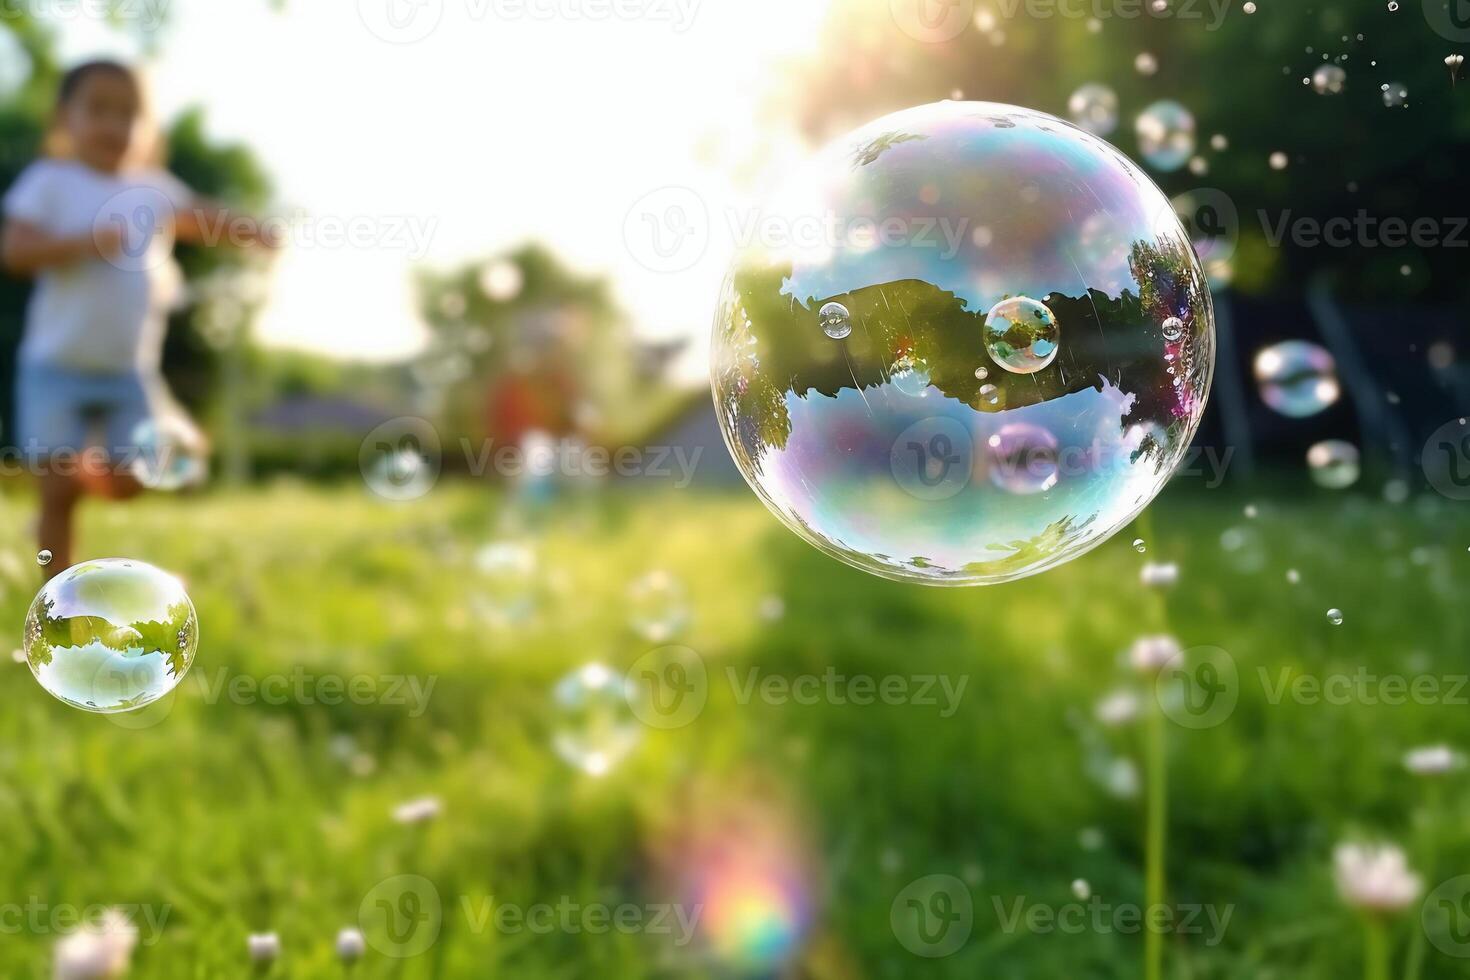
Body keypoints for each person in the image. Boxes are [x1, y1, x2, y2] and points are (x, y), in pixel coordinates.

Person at [1, 59, 275, 577]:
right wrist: (86, 243)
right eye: (99, 109)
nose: (114, 125)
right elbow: (15, 252)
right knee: (57, 493)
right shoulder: (51, 181)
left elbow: (201, 217)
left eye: (129, 113)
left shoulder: (151, 188)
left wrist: (252, 231)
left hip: (129, 372)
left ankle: (98, 466)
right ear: (65, 118)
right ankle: (56, 601)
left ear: (147, 127)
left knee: (132, 482)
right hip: (54, 366)